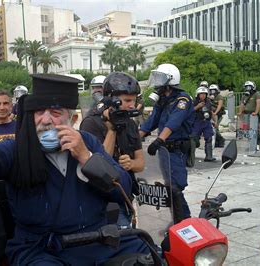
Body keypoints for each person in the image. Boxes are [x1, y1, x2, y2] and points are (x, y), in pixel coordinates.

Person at [0, 74, 148, 265]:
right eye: (39, 112)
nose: (45, 120)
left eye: (55, 113)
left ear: (73, 117)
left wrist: (86, 158)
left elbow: (122, 189)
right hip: (41, 250)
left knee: (151, 256)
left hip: (98, 241)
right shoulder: (18, 148)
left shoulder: (89, 142)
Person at [79, 72, 144, 228]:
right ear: (111, 99)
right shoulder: (91, 123)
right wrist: (112, 130)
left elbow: (140, 163)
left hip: (125, 196)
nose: (132, 105)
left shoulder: (131, 123)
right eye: (127, 100)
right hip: (102, 200)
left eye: (134, 100)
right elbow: (98, 165)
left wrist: (131, 164)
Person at [139, 63, 195, 220]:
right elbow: (151, 122)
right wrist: (134, 139)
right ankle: (178, 221)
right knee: (168, 188)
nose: (156, 82)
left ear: (170, 80)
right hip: (165, 151)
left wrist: (159, 140)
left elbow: (174, 122)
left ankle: (184, 221)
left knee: (176, 187)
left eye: (159, 78)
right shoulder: (162, 100)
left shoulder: (182, 99)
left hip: (176, 149)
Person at [192, 86, 216, 162]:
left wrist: (214, 121)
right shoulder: (194, 102)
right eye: (201, 94)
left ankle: (209, 156)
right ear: (198, 94)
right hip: (197, 121)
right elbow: (190, 111)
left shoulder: (208, 102)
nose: (203, 95)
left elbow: (211, 112)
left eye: (204, 94)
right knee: (194, 138)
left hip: (206, 122)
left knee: (209, 138)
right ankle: (190, 155)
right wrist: (198, 106)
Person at [238, 81, 260, 149]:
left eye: (249, 87)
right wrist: (240, 112)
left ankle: (257, 144)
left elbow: (258, 103)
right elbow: (242, 104)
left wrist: (256, 112)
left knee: (255, 129)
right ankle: (250, 143)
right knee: (247, 129)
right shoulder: (244, 95)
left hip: (253, 114)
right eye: (246, 87)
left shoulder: (256, 94)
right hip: (246, 114)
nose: (248, 88)